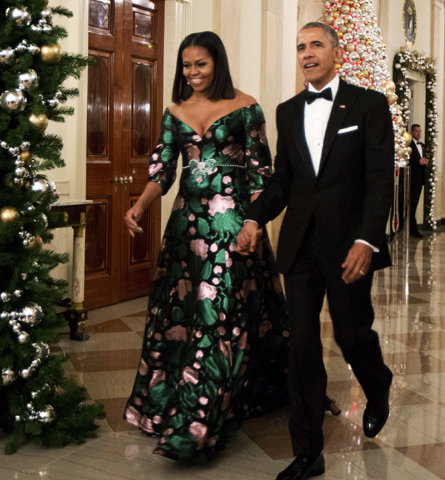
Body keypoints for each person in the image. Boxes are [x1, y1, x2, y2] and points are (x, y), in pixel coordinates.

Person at [122, 31, 291, 463]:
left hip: (232, 227)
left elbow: (260, 174)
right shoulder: (175, 111)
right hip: (185, 227)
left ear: (218, 63)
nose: (193, 73)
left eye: (201, 64)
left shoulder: (246, 107)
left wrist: (253, 224)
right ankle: (178, 402)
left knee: (219, 315)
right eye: (186, 65)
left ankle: (199, 422)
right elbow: (161, 170)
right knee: (185, 313)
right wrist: (140, 205)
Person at [237, 21, 394, 480]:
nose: (306, 53)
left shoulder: (368, 104)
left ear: (337, 53)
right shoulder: (288, 111)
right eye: (301, 46)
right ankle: (308, 452)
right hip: (301, 247)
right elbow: (284, 181)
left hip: (349, 247)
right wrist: (254, 217)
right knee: (301, 346)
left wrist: (368, 238)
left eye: (316, 45)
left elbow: (380, 178)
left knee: (352, 336)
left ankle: (378, 384)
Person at [408, 124, 428, 238]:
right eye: (417, 131)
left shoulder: (423, 146)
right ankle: (412, 229)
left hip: (420, 180)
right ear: (412, 132)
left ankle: (413, 228)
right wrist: (418, 162)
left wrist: (426, 161)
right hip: (412, 179)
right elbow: (407, 161)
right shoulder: (409, 145)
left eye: (420, 131)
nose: (419, 134)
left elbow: (422, 160)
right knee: (411, 204)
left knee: (415, 204)